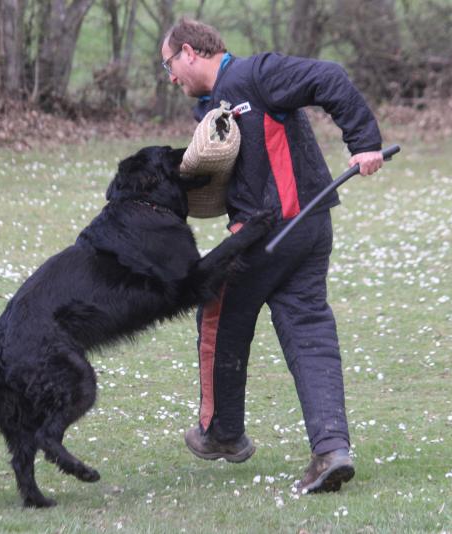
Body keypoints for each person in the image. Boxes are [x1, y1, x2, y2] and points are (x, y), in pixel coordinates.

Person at [161, 18, 384, 494]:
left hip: (270, 231)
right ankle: (331, 450)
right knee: (309, 331)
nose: (171, 77)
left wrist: (364, 142)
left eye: (170, 65)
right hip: (310, 226)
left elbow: (328, 76)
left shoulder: (256, 74)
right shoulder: (218, 100)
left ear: (189, 52)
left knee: (216, 310)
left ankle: (221, 433)